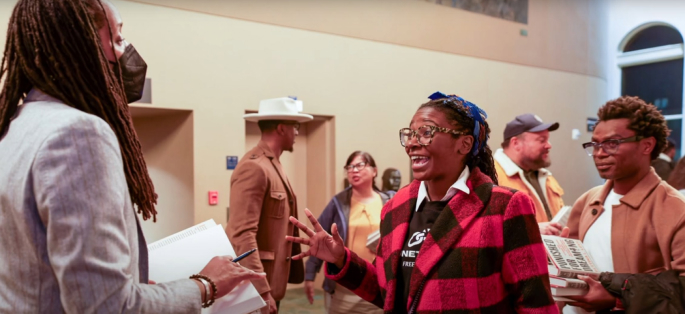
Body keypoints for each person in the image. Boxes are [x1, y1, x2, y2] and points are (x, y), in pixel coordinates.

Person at [0, 0, 264, 312]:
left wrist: (132, 285)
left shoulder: (14, 126)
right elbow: (107, 306)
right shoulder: (77, 134)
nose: (127, 51)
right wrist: (205, 284)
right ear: (82, 43)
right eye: (117, 37)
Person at [287, 92, 556, 313]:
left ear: (464, 144)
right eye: (410, 134)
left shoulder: (503, 207)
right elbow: (387, 293)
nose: (412, 144)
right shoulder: (396, 207)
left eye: (426, 132)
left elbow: (537, 305)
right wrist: (341, 258)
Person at [562, 96, 685, 313]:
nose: (599, 153)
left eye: (612, 143)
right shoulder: (588, 200)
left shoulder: (675, 210)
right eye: (595, 144)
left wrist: (617, 300)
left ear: (647, 145)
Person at [226, 97, 312, 313]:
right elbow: (241, 233)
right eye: (295, 126)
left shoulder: (273, 164)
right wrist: (262, 291)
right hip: (258, 287)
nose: (297, 133)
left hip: (272, 283)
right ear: (282, 129)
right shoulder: (254, 167)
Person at [304, 151, 389, 314]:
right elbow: (319, 238)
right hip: (347, 285)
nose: (354, 170)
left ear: (374, 171)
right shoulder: (338, 202)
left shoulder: (388, 201)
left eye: (360, 165)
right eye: (350, 167)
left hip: (379, 284)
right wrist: (310, 275)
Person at [495, 113, 566, 235]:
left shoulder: (545, 176)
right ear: (516, 143)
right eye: (541, 140)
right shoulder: (491, 176)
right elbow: (484, 230)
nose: (549, 145)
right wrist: (531, 230)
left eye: (547, 139)